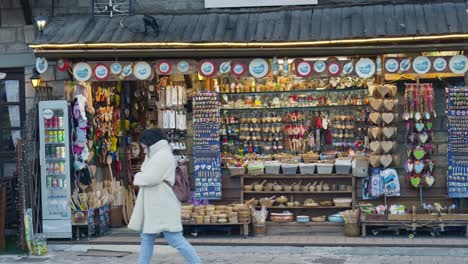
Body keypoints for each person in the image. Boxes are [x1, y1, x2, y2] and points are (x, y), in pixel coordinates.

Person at [128, 129, 201, 264]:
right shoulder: (156, 154)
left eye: (144, 147)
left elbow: (151, 178)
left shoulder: (162, 155)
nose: (143, 151)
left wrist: (137, 177)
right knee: (147, 237)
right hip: (157, 204)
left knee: (175, 239)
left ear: (151, 144)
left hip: (163, 205)